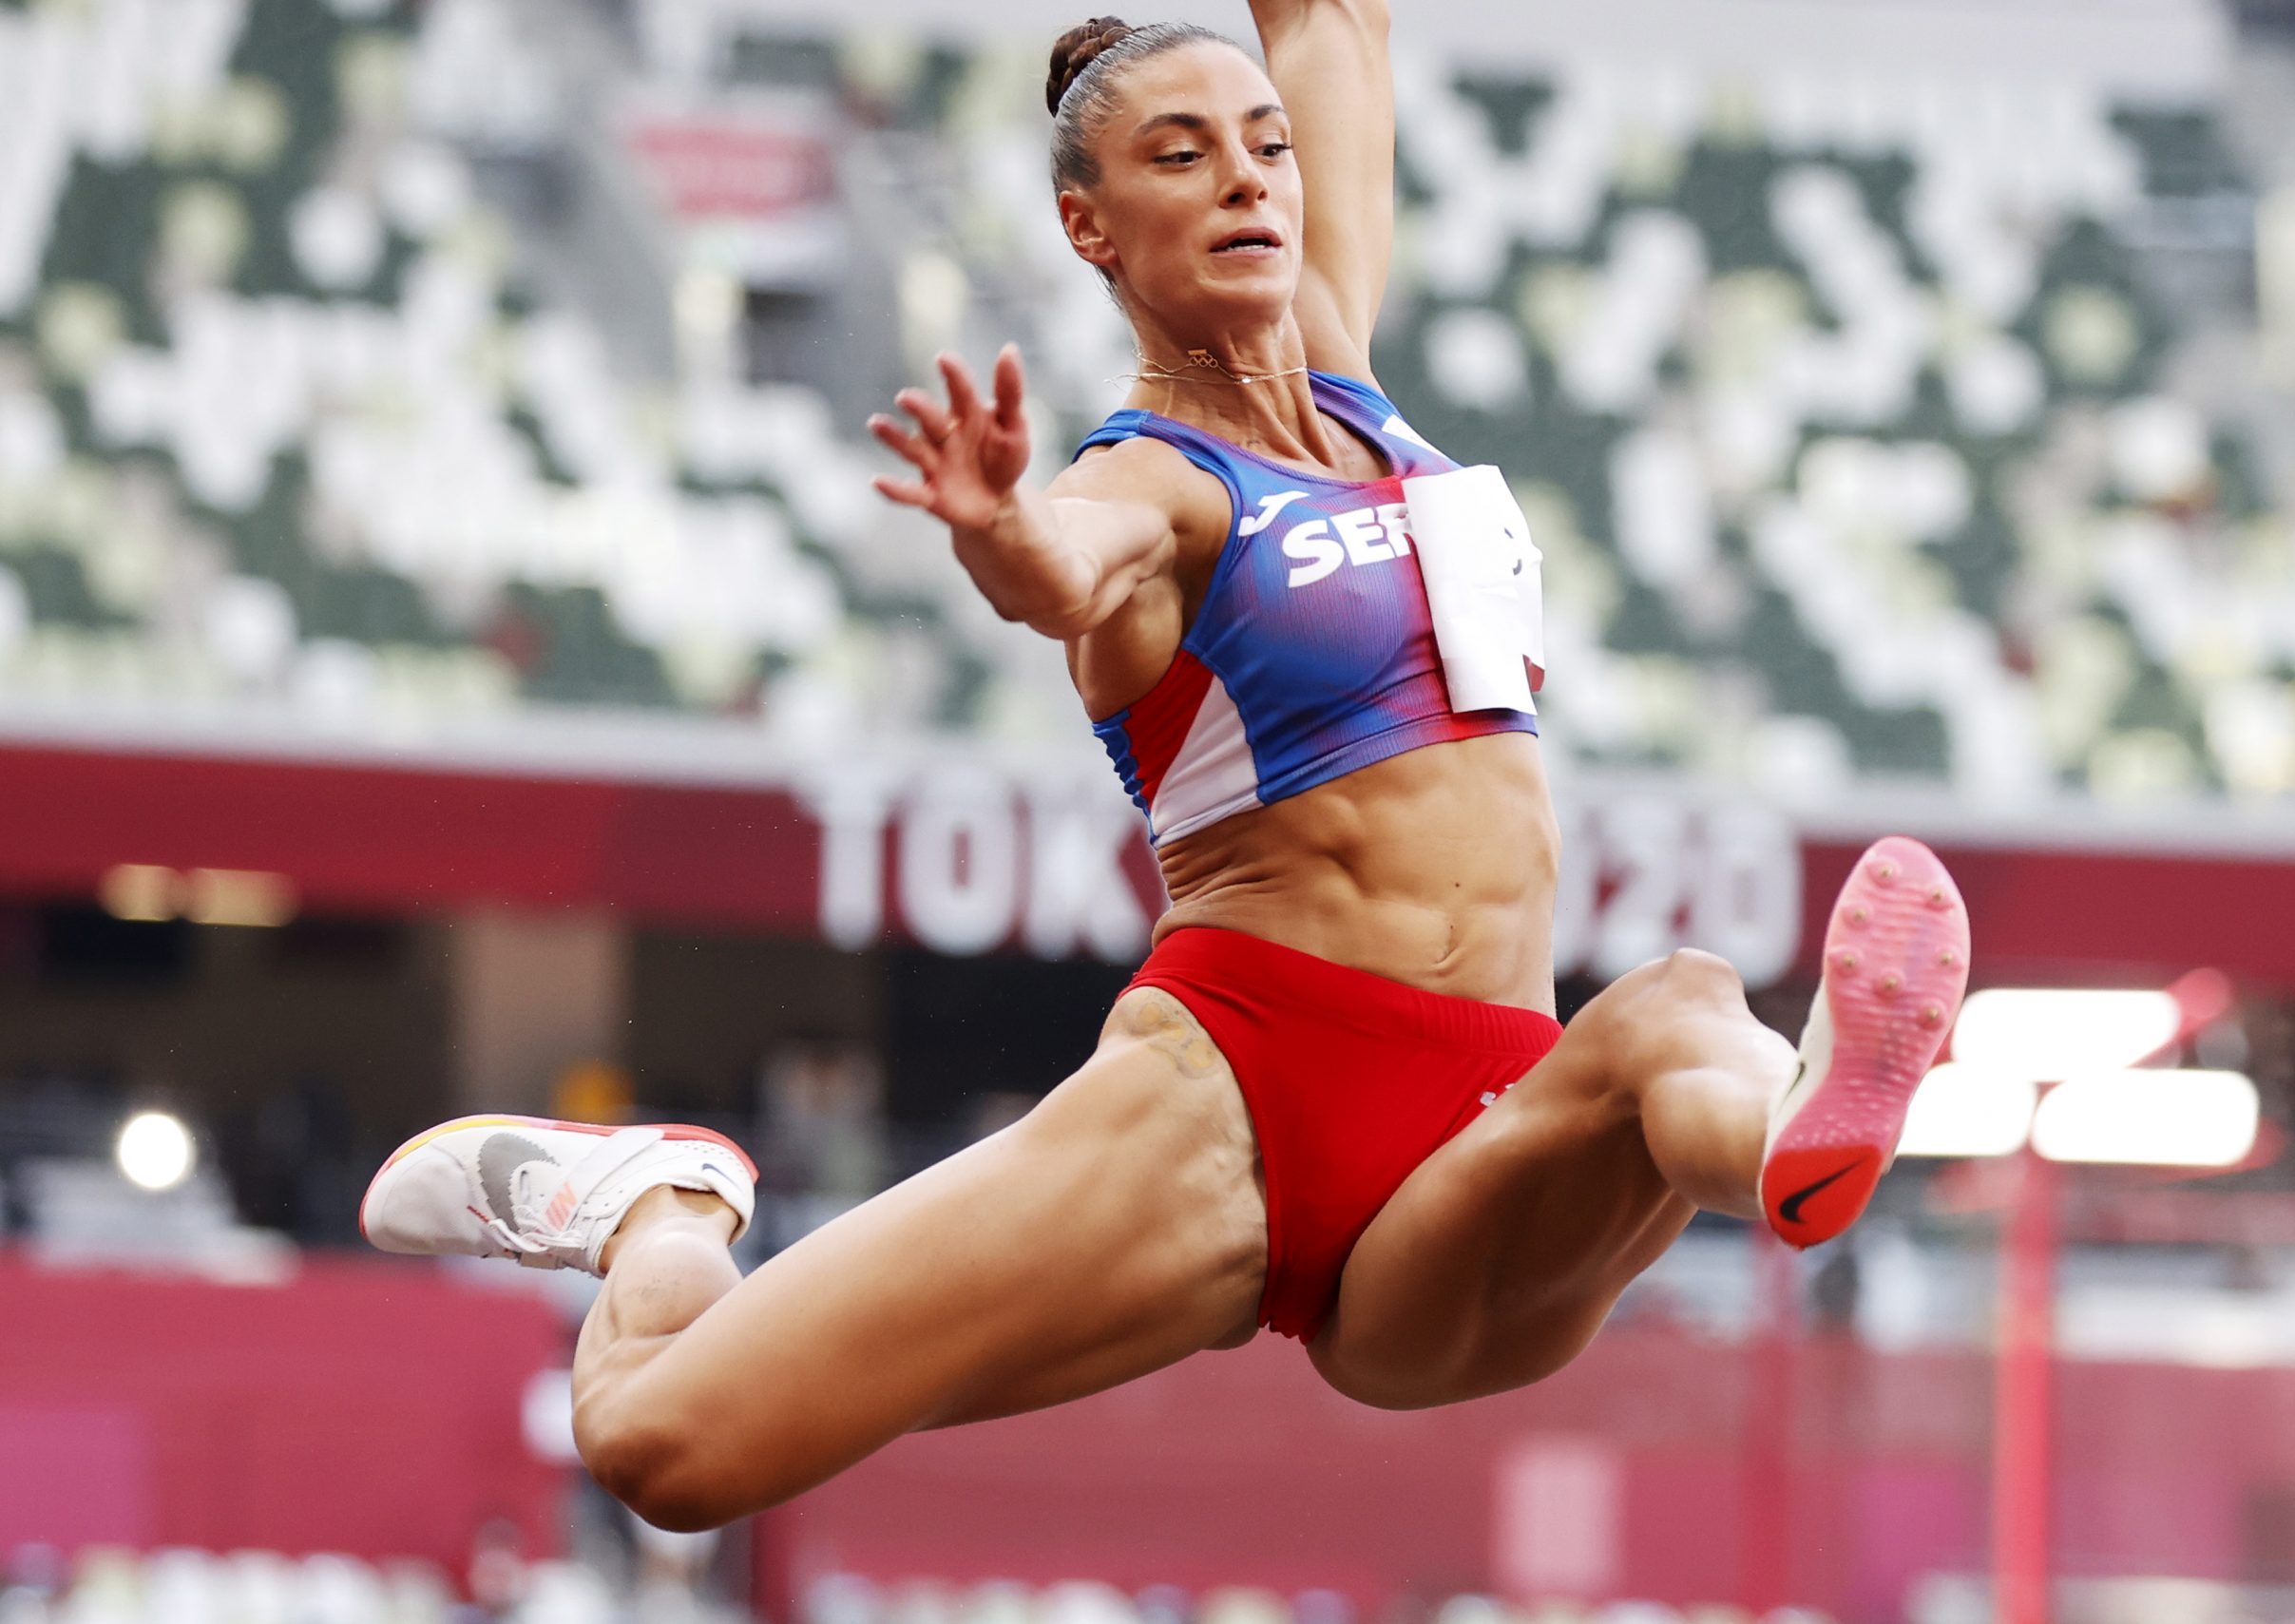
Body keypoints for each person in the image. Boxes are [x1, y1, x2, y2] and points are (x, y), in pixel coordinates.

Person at [361, 4, 1971, 1532]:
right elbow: (1069, 572)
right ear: (1091, 227)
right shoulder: (1153, 480)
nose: (1247, 178)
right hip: (1235, 1101)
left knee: (1674, 1003)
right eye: (1181, 155)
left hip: (1479, 1138)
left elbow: (1337, 25)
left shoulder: (1352, 384)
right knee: (663, 1450)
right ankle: (660, 1203)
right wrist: (1000, 532)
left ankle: (1803, 1135)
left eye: (1264, 146)